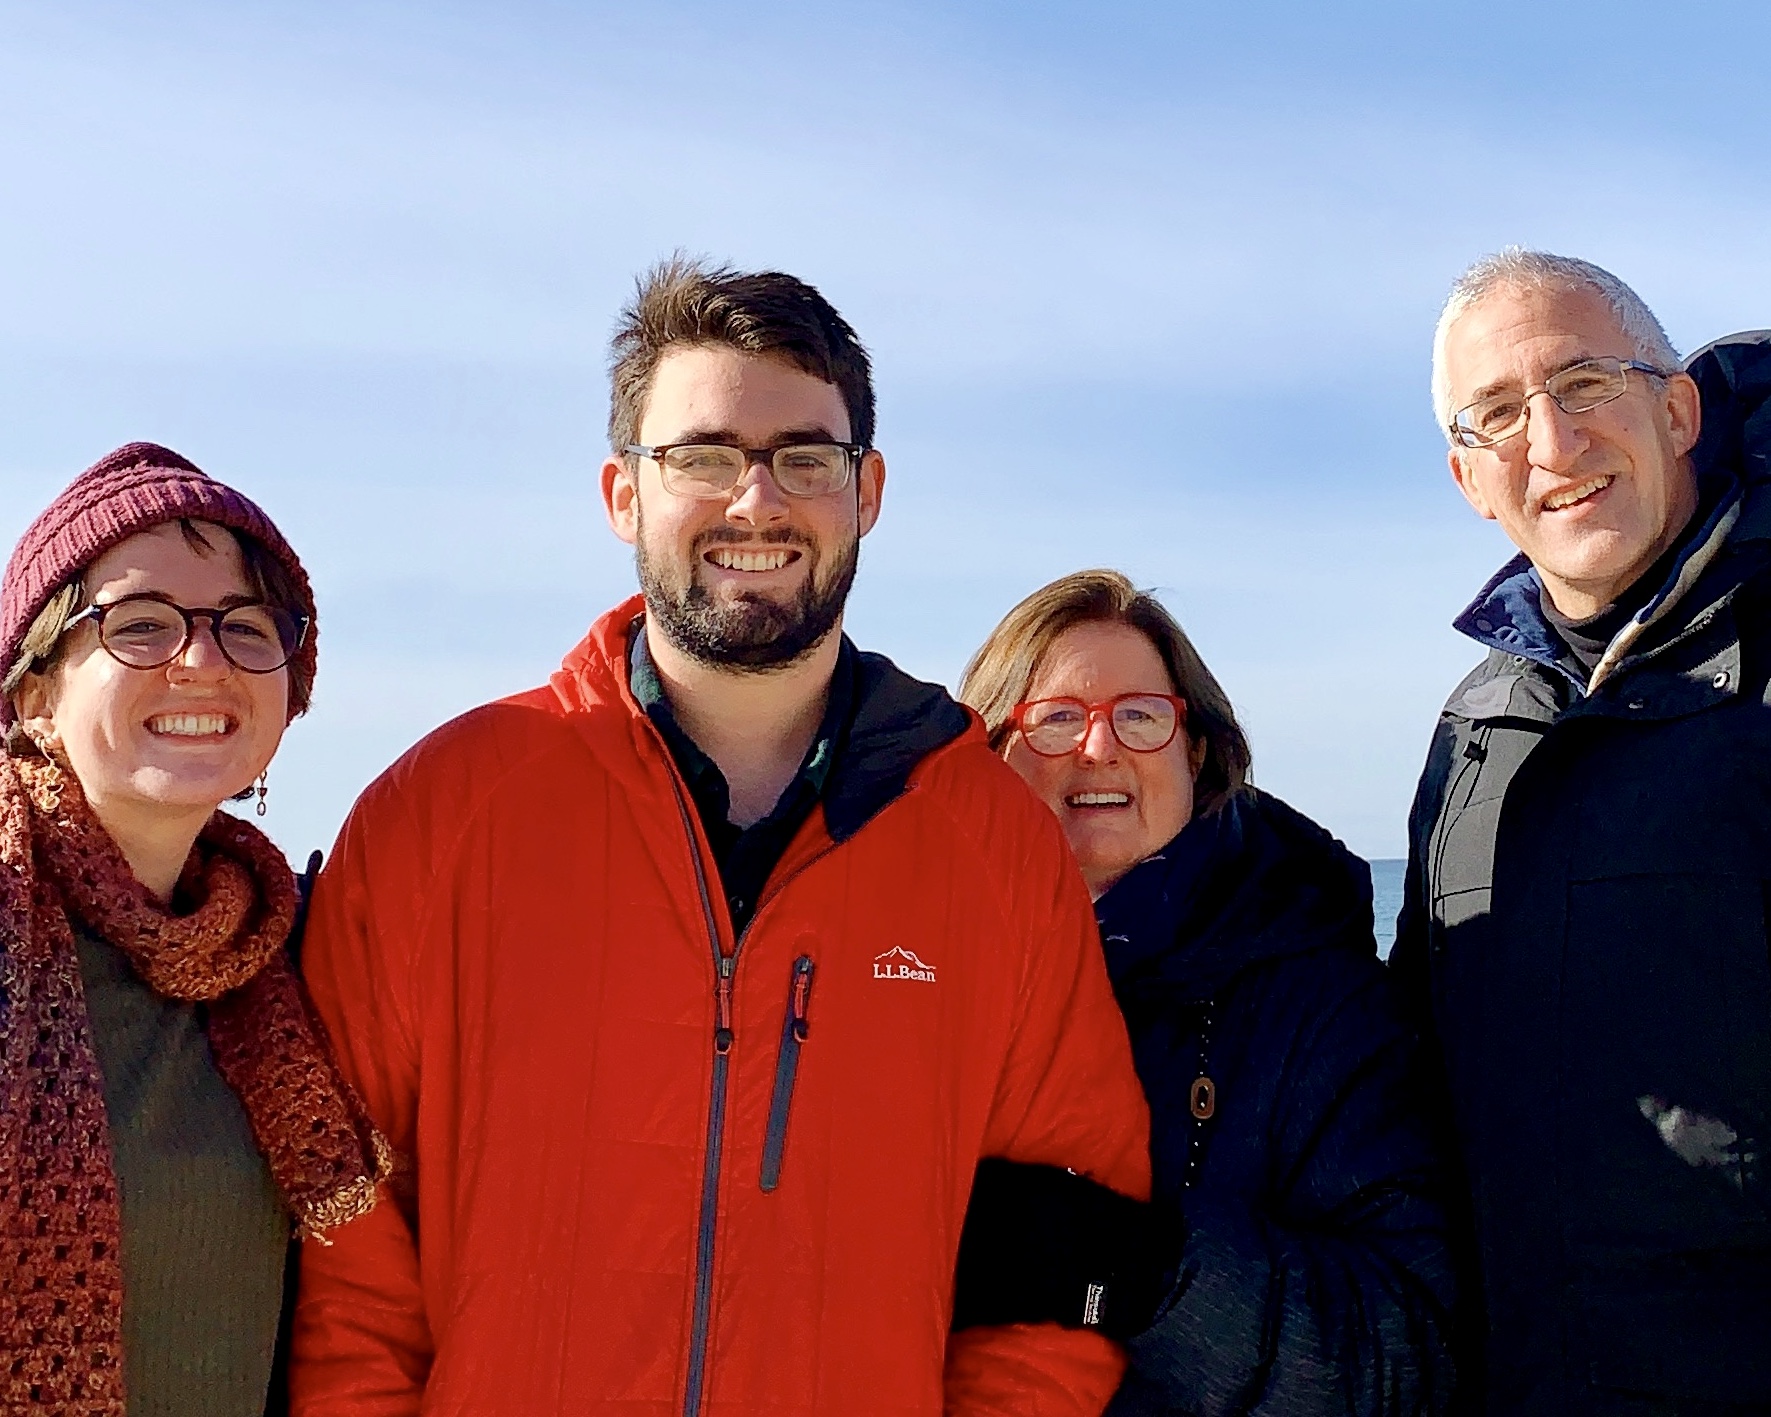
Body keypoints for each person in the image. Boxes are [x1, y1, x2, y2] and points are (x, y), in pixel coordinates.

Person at [288, 260, 1151, 1415]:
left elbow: (1056, 1248)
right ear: (622, 495)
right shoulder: (439, 815)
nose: (756, 503)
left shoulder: (992, 844)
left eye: (805, 457)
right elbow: (346, 1254)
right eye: (701, 458)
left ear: (868, 489)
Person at [1394, 247, 1771, 1412]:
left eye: (1585, 385)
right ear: (1469, 477)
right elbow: (1413, 1062)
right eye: (1498, 414)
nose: (1550, 444)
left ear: (1675, 407)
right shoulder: (1474, 730)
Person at [952, 570, 1457, 1415]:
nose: (1097, 747)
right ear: (991, 752)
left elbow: (1412, 1354)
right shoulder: (912, 975)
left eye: (1141, 716)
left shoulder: (1316, 1006)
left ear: (1196, 752)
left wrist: (1142, 1275)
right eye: (1055, 719)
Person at [0, 443, 388, 1417]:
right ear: (33, 689)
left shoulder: (295, 961)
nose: (201, 659)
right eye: (140, 624)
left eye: (246, 627)